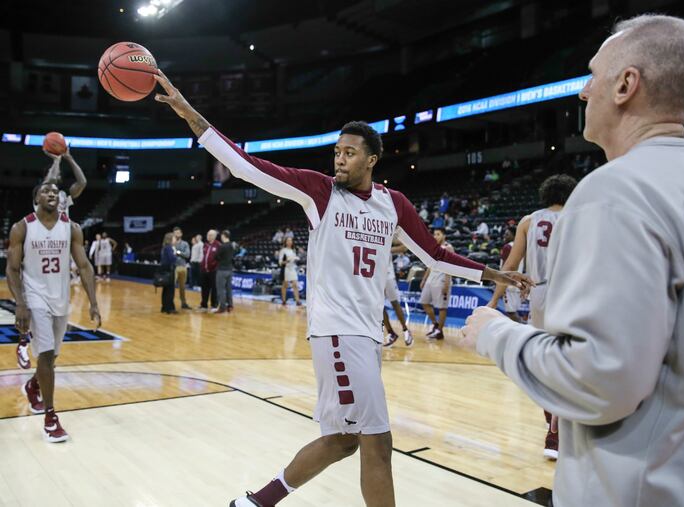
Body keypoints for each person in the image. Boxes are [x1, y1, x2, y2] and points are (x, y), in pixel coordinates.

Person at [154, 70, 530, 507]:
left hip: (365, 334)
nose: (340, 159)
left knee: (341, 441)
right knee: (378, 442)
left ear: (372, 159)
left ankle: (256, 502)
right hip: (337, 331)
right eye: (337, 152)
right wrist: (187, 112)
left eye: (349, 153)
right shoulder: (319, 193)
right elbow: (245, 165)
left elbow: (434, 255)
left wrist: (492, 273)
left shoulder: (395, 204)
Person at [461, 15, 684, 507]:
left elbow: (597, 380)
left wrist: (494, 334)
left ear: (626, 85)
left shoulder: (615, 192)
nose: (583, 92)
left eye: (593, 75)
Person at [486, 174, 577, 460]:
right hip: (573, 292)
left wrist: (493, 301)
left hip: (539, 294)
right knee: (570, 363)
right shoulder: (580, 215)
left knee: (544, 365)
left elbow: (510, 267)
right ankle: (560, 430)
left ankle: (553, 429)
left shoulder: (528, 221)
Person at [6, 182, 100, 442]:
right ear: (36, 197)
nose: (52, 194)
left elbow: (84, 265)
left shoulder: (72, 228)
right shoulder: (22, 227)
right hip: (35, 297)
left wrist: (93, 301)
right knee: (46, 355)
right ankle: (51, 417)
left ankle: (33, 385)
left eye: (56, 191)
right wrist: (21, 303)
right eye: (46, 190)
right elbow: (12, 269)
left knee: (52, 357)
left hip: (61, 298)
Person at [419, 228, 454, 341]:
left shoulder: (448, 247)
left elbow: (451, 266)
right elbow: (429, 265)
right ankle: (435, 324)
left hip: (442, 279)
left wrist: (447, 282)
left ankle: (439, 331)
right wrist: (424, 279)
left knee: (442, 307)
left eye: (438, 234)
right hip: (431, 279)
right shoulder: (434, 248)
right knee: (424, 302)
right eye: (434, 234)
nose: (435, 236)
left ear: (444, 236)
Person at [39, 145, 87, 218]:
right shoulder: (40, 191)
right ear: (45, 176)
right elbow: (52, 179)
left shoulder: (64, 193)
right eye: (54, 171)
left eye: (59, 172)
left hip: (62, 228)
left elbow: (82, 182)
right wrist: (56, 160)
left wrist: (69, 158)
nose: (58, 172)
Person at [199, 229, 220, 311]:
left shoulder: (218, 245)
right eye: (208, 235)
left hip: (214, 271)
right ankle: (204, 305)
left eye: (210, 235)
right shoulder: (205, 245)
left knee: (214, 288)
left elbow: (220, 258)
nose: (208, 236)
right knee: (204, 288)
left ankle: (214, 305)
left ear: (214, 236)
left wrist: (216, 266)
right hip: (204, 270)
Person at [214, 229, 234, 313]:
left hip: (222, 269)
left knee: (220, 289)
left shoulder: (222, 246)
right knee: (229, 288)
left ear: (223, 236)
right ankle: (230, 305)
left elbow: (216, 256)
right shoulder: (232, 245)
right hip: (230, 269)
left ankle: (222, 307)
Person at [278, 236, 301, 306]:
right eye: (288, 240)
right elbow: (280, 262)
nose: (289, 242)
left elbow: (294, 259)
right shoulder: (283, 250)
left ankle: (298, 301)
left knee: (295, 285)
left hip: (293, 269)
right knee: (285, 285)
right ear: (285, 242)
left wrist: (296, 259)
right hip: (286, 269)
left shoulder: (293, 250)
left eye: (291, 240)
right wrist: (287, 260)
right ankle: (284, 300)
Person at [173, 227, 191, 309]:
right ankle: (170, 303)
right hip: (173, 267)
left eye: (179, 233)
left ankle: (184, 303)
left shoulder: (185, 243)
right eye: (176, 233)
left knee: (182, 287)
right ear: (173, 234)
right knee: (171, 286)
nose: (177, 234)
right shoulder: (171, 243)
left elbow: (187, 255)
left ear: (181, 234)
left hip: (182, 267)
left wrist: (177, 252)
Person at [159, 232, 177, 314]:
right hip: (169, 270)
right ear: (170, 239)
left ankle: (164, 307)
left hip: (164, 270)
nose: (175, 239)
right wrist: (175, 253)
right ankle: (169, 308)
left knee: (165, 289)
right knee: (170, 290)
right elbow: (172, 259)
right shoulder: (169, 248)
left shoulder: (164, 247)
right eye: (174, 238)